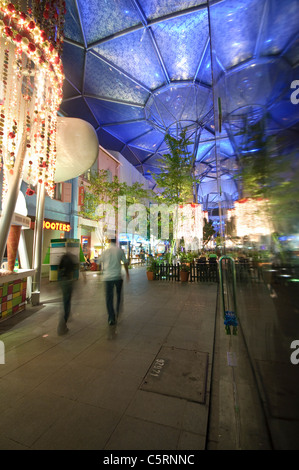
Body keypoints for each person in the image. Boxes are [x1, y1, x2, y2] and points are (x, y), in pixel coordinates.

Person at [99, 238, 129, 326]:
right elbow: (125, 262)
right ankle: (118, 310)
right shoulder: (120, 251)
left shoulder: (105, 251)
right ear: (116, 242)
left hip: (107, 277)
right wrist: (127, 274)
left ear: (109, 242)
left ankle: (111, 317)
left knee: (109, 298)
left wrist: (101, 270)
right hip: (117, 276)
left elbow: (99, 262)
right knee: (119, 295)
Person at [57, 251, 79, 336]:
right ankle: (62, 325)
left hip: (63, 281)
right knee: (67, 303)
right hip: (69, 282)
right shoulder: (71, 259)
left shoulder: (63, 258)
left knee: (64, 302)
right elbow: (73, 271)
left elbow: (59, 269)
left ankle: (64, 320)